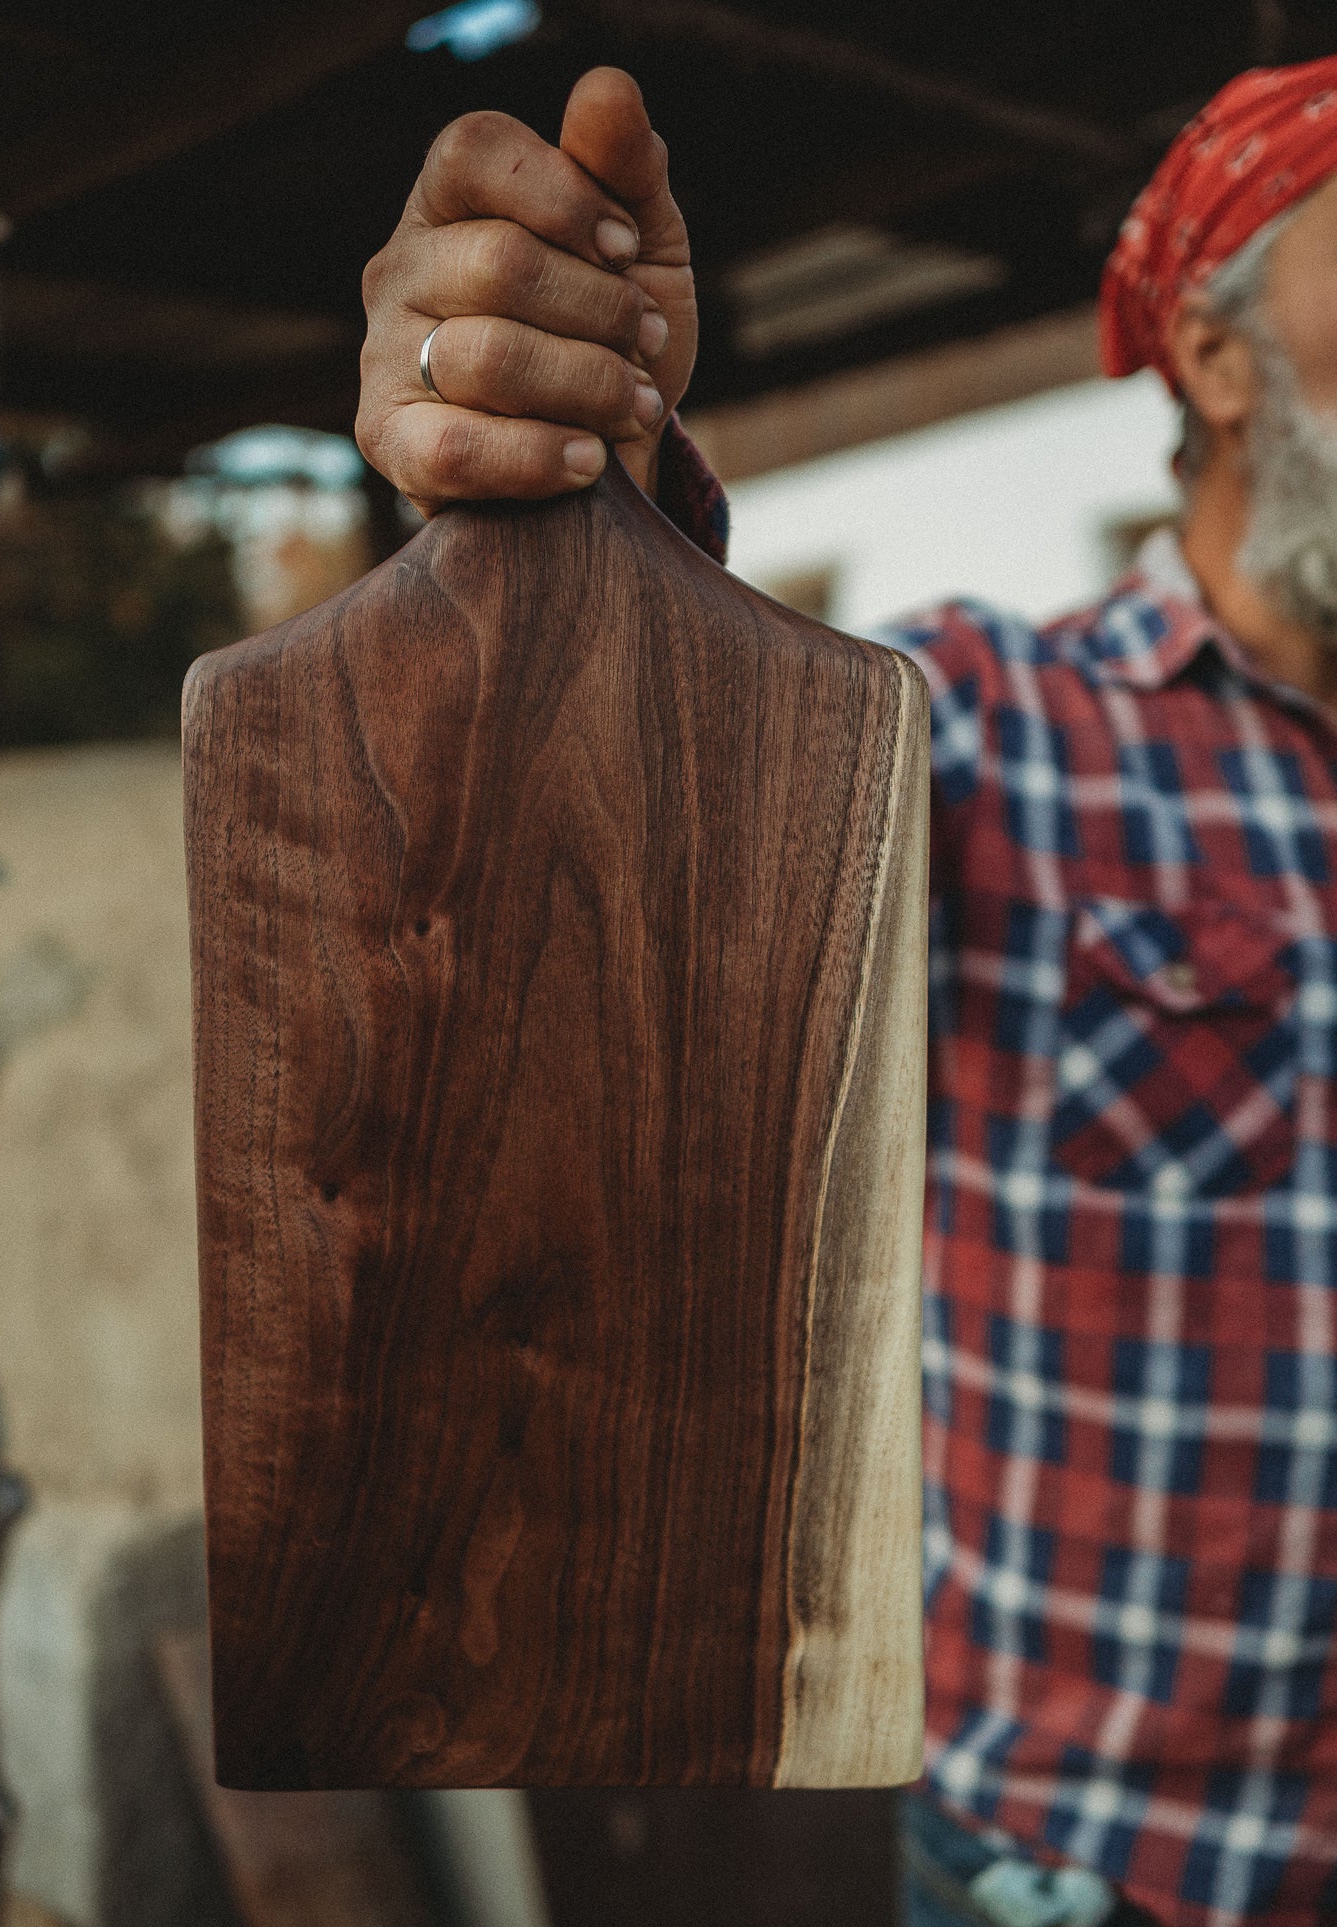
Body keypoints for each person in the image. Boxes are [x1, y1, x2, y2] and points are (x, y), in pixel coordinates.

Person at [355, 59, 1337, 1927]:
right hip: (1091, 1869)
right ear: (1221, 363)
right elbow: (638, 843)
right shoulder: (995, 721)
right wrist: (580, 504)